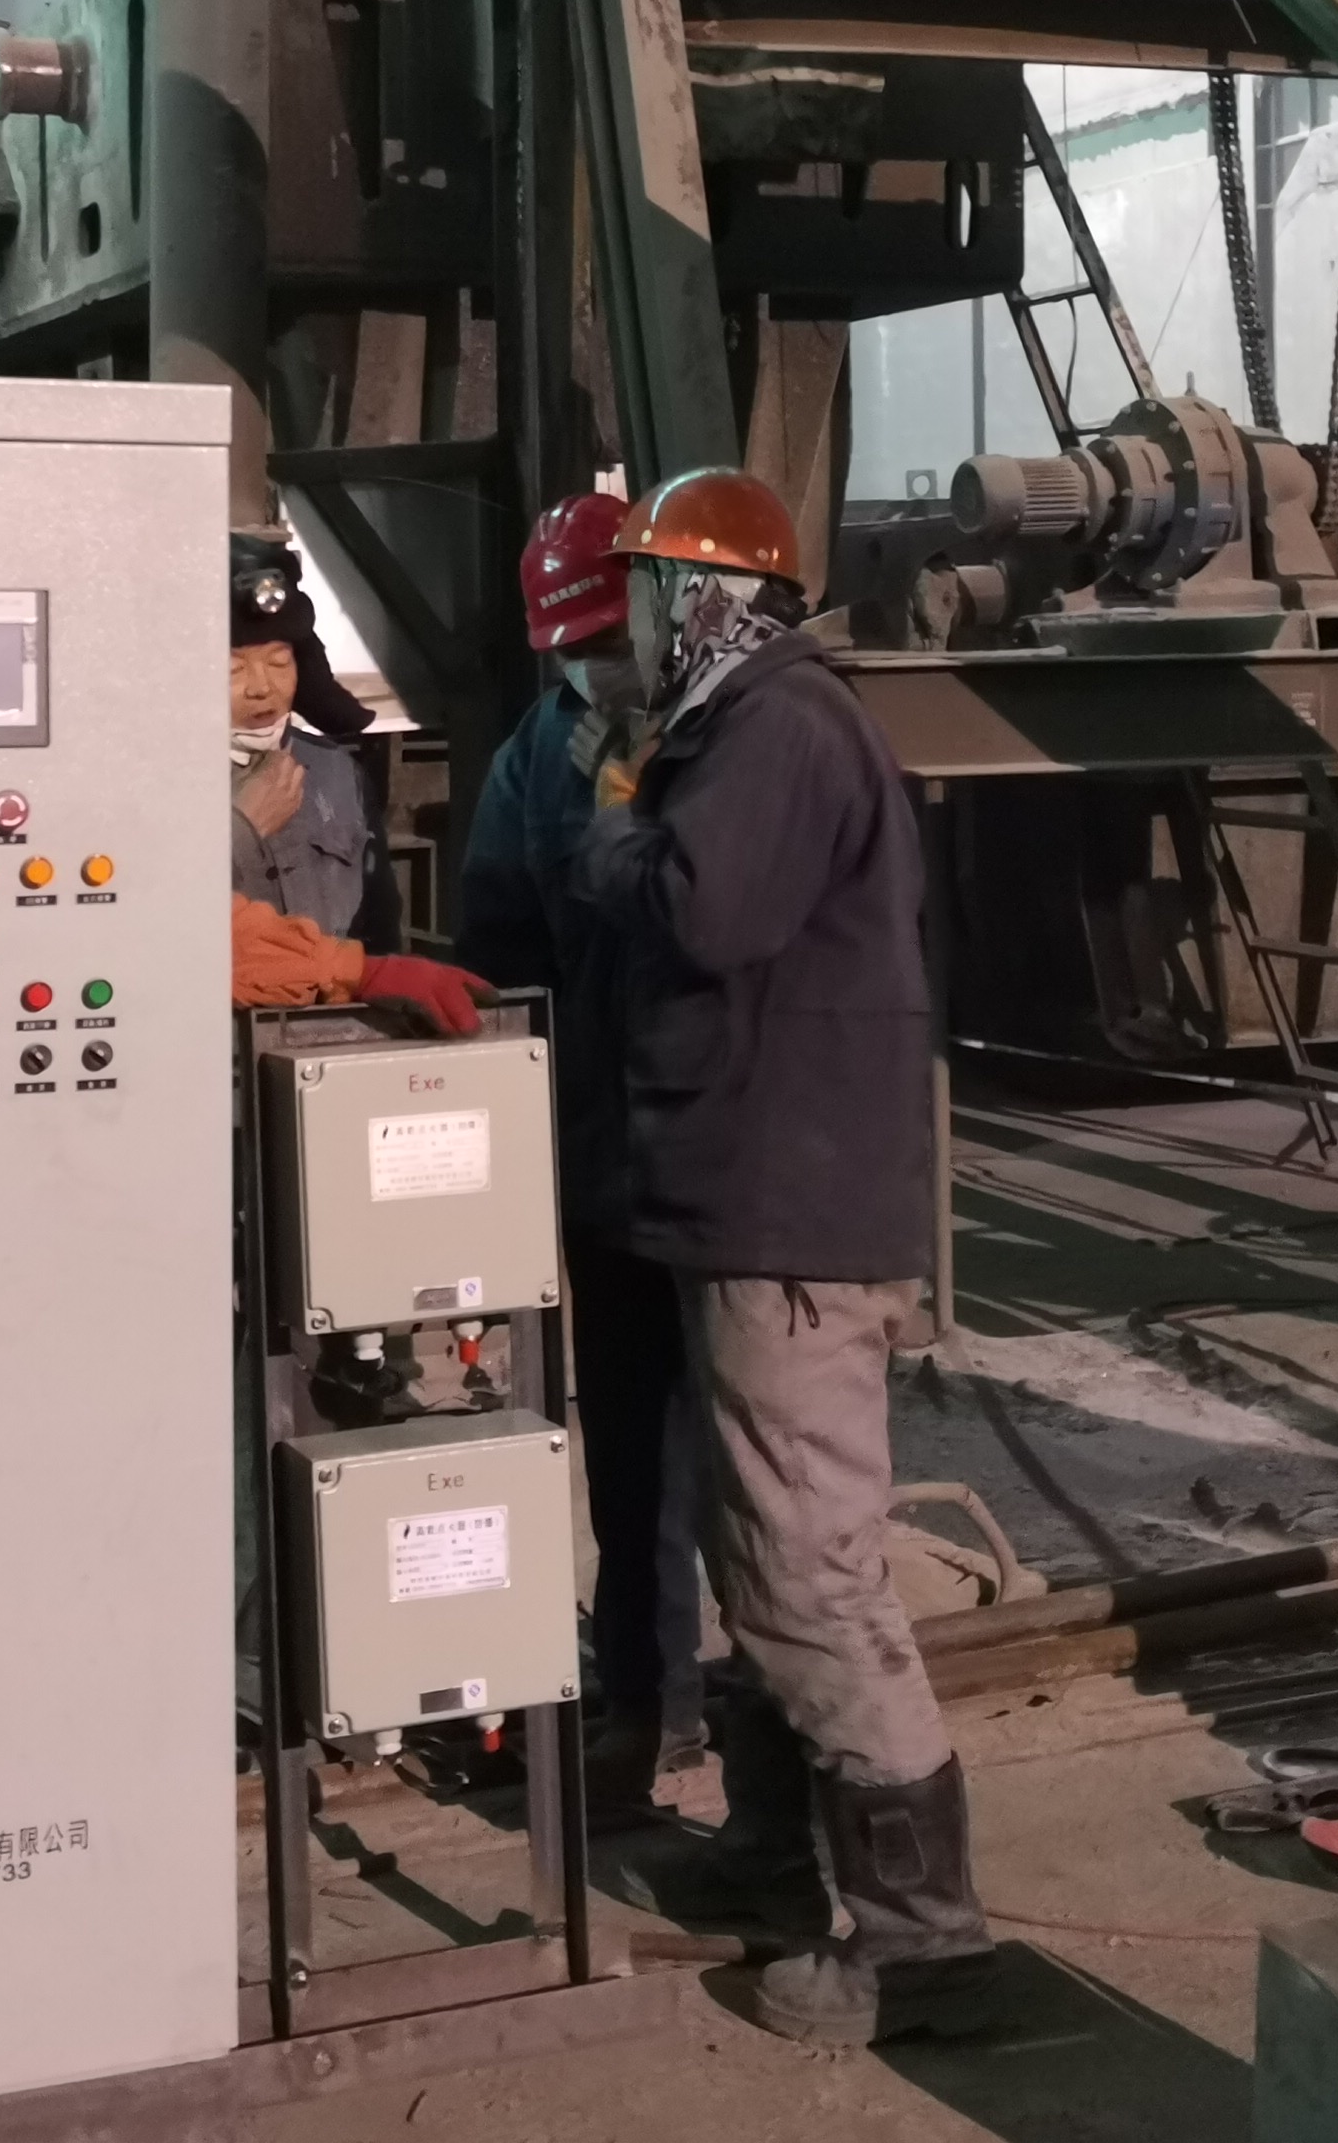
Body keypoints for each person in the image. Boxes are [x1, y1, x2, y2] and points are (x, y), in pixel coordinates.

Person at [575, 466, 996, 2049]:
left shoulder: (777, 729)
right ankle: (770, 1857)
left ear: (706, 598)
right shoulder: (740, 724)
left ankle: (926, 1945)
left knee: (812, 1569)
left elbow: (706, 911)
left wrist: (612, 830)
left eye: (644, 591)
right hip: (749, 1202)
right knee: (759, 1552)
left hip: (789, 1220)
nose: (626, 623)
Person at [456, 491, 699, 1809]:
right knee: (630, 1452)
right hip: (604, 1160)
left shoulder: (731, 736)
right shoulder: (531, 760)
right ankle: (644, 1707)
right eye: (572, 649)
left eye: (609, 640)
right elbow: (499, 952)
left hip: (731, 1159)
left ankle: (775, 1742)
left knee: (761, 1467)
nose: (595, 668)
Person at [228, 528, 399, 955]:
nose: (261, 688)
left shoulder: (337, 771)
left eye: (279, 662)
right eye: (233, 670)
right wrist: (241, 830)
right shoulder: (150, 783)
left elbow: (379, 929)